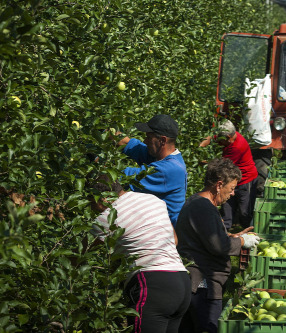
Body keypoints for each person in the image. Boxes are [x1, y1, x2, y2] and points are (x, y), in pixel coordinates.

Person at [89, 174, 190, 332]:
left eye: (92, 204)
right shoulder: (152, 200)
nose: (92, 209)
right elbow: (174, 240)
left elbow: (79, 256)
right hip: (181, 280)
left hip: (153, 285)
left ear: (101, 198)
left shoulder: (106, 218)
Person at [175, 157, 261, 333]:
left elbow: (205, 236)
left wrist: (230, 236)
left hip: (195, 279)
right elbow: (219, 246)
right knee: (208, 326)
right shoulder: (203, 207)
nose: (233, 194)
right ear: (219, 185)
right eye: (231, 189)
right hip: (203, 283)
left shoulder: (197, 202)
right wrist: (243, 241)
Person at [116, 114, 187, 226]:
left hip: (164, 235)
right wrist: (106, 132)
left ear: (162, 140)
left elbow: (118, 176)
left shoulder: (169, 170)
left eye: (149, 137)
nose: (145, 141)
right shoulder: (160, 155)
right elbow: (129, 144)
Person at [199, 119, 258, 230]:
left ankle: (248, 230)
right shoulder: (225, 136)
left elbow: (223, 167)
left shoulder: (237, 147)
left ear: (230, 137)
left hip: (245, 179)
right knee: (227, 205)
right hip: (231, 179)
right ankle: (226, 231)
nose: (220, 143)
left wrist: (205, 163)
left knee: (245, 211)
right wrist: (200, 147)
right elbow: (211, 137)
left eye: (223, 141)